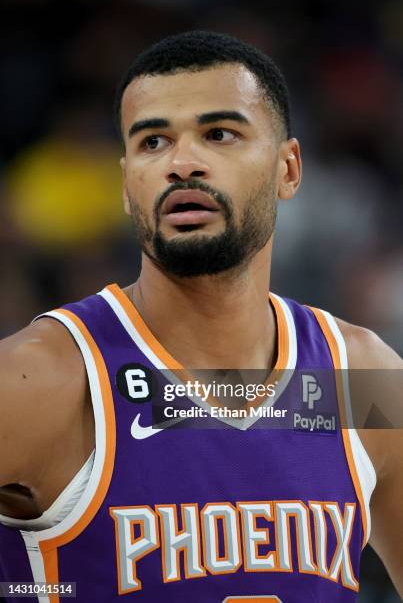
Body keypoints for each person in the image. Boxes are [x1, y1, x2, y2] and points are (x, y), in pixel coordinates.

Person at [0, 31, 402, 603]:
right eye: (153, 141)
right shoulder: (40, 379)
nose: (181, 163)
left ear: (289, 169)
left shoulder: (360, 382)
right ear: (125, 184)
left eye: (219, 134)